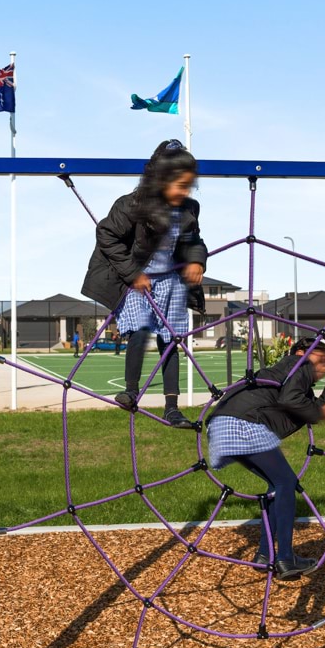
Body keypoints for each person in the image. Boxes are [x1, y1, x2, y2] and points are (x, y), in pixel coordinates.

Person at [81, 139, 207, 430]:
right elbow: (106, 235)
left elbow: (194, 241)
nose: (184, 192)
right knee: (139, 328)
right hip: (139, 280)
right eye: (179, 185)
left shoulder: (188, 209)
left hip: (171, 281)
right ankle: (131, 390)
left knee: (171, 340)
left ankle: (172, 408)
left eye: (189, 186)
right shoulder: (132, 205)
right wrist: (131, 273)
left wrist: (197, 261)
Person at [205, 338, 325, 579]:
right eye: (321, 361)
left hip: (222, 427)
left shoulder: (288, 378)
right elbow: (293, 402)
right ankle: (285, 558)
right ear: (303, 353)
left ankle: (265, 555)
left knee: (277, 485)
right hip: (242, 425)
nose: (322, 368)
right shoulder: (298, 363)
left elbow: (313, 408)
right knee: (286, 483)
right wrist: (319, 410)